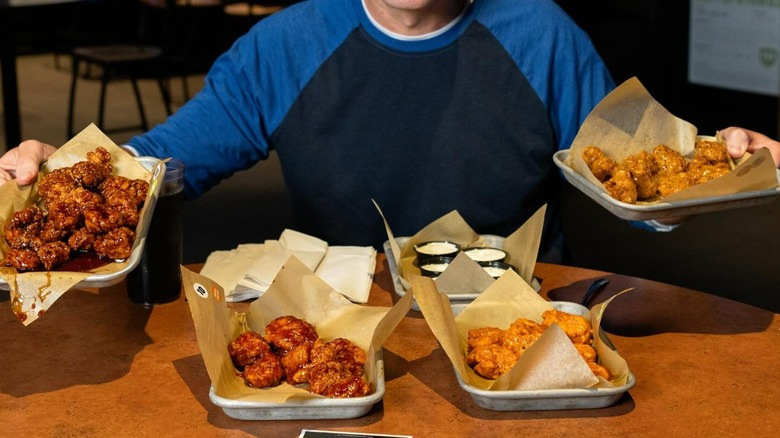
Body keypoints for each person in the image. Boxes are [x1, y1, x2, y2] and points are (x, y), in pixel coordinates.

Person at [2, 0, 779, 263]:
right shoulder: (286, 44)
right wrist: (61, 169)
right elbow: (160, 165)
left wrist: (731, 165)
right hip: (341, 317)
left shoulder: (544, 34)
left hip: (516, 310)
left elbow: (643, 186)